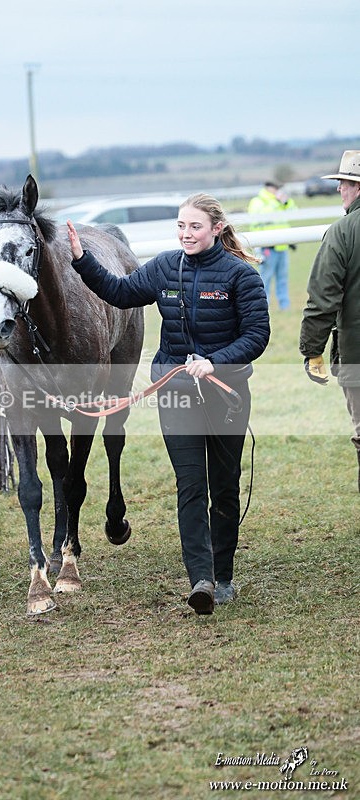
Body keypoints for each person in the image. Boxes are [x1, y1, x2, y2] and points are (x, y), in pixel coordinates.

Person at [67, 194, 270, 614]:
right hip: (176, 392)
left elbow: (257, 336)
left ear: (216, 228)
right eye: (181, 226)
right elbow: (120, 293)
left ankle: (224, 572)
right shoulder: (164, 267)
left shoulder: (240, 276)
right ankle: (202, 579)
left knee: (224, 487)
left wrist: (215, 361)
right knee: (191, 485)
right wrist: (82, 259)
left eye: (195, 226)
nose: (186, 234)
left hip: (226, 394)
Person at [300, 150, 360, 492]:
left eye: (343, 183)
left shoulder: (342, 232)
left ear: (356, 187)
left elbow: (322, 300)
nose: (339, 190)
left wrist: (312, 351)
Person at [248, 180, 297, 310]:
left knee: (283, 278)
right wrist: (277, 202)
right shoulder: (258, 201)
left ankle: (285, 306)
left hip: (282, 246)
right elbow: (261, 217)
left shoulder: (280, 201)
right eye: (276, 188)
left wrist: (285, 202)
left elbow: (294, 211)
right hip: (267, 246)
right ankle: (264, 306)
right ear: (269, 188)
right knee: (265, 279)